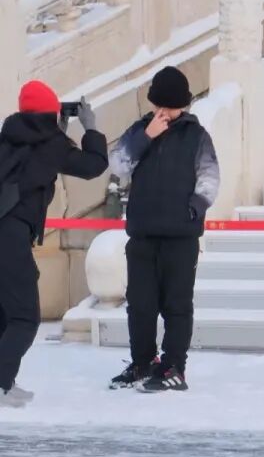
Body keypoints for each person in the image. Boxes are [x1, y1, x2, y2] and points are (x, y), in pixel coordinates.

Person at [109, 65, 220, 393]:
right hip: (142, 233)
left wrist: (193, 208)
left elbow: (210, 178)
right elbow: (117, 164)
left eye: (170, 106)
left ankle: (174, 366)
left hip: (180, 236)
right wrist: (146, 138)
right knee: (140, 304)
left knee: (177, 304)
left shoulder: (196, 135)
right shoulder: (139, 130)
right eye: (159, 105)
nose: (164, 112)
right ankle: (142, 361)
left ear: (183, 105)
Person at [0, 81, 108, 405]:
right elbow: (93, 166)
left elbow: (31, 160)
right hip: (11, 234)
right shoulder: (51, 145)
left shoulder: (8, 137)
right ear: (52, 112)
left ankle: (4, 383)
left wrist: (57, 132)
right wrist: (90, 129)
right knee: (25, 317)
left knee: (5, 315)